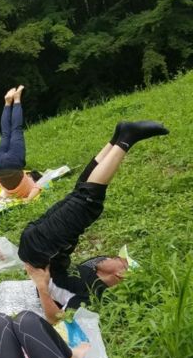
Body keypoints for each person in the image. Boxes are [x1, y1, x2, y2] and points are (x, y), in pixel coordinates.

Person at [18, 120, 169, 322]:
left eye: (120, 260)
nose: (113, 256)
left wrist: (42, 286)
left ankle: (127, 138)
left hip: (39, 251)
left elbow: (57, 319)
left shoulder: (92, 295)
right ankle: (117, 139)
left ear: (120, 275)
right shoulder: (93, 270)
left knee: (88, 202)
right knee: (81, 191)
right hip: (44, 247)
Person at [0, 86, 42, 207]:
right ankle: (7, 102)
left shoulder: (29, 183)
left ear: (30, 176)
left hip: (13, 162)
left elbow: (37, 188)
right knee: (5, 133)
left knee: (16, 129)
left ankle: (16, 99)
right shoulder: (8, 192)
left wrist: (28, 199)